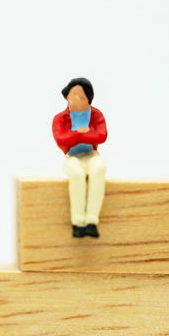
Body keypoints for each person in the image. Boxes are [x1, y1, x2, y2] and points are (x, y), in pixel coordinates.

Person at [52, 77, 107, 238]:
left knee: (99, 168)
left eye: (82, 97)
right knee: (77, 174)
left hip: (92, 155)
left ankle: (91, 221)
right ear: (67, 96)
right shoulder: (60, 118)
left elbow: (102, 136)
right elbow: (61, 139)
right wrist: (80, 134)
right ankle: (78, 222)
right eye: (73, 94)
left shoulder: (96, 114)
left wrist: (81, 136)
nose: (76, 99)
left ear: (88, 100)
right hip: (72, 157)